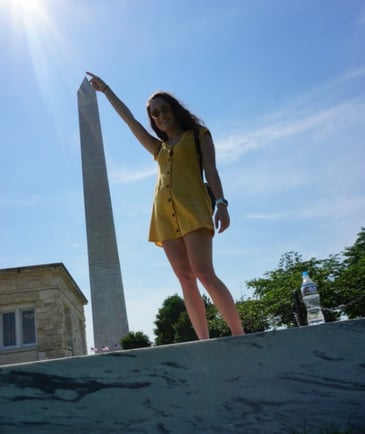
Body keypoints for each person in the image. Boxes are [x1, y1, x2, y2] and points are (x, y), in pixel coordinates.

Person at [87, 72, 244, 339]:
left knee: (204, 272)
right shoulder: (158, 149)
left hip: (193, 209)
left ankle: (239, 335)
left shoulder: (198, 136)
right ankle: (204, 341)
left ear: (174, 109)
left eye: (163, 109)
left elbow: (212, 171)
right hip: (163, 215)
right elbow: (129, 120)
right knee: (185, 278)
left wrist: (222, 204)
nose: (160, 115)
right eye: (155, 113)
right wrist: (107, 90)